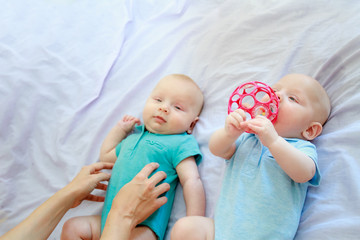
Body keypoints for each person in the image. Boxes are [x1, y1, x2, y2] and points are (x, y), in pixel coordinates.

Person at [171, 73, 331, 240]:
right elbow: (217, 149)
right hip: (220, 231)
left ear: (310, 130)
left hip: (264, 236)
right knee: (185, 228)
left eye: (293, 98)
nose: (276, 96)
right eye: (275, 90)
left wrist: (274, 141)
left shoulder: (300, 148)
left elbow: (304, 173)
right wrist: (229, 133)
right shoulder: (248, 138)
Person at [62, 74, 205, 240]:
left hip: (143, 226)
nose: (163, 108)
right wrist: (120, 130)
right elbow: (107, 157)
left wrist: (194, 222)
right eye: (158, 100)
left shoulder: (179, 143)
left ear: (192, 124)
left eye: (178, 107)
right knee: (72, 227)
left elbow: (191, 181)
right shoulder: (133, 138)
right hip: (108, 223)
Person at [0, 162, 170, 240]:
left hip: (128, 226)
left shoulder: (179, 143)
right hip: (119, 222)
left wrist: (68, 195)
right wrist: (123, 215)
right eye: (157, 99)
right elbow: (109, 153)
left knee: (72, 225)